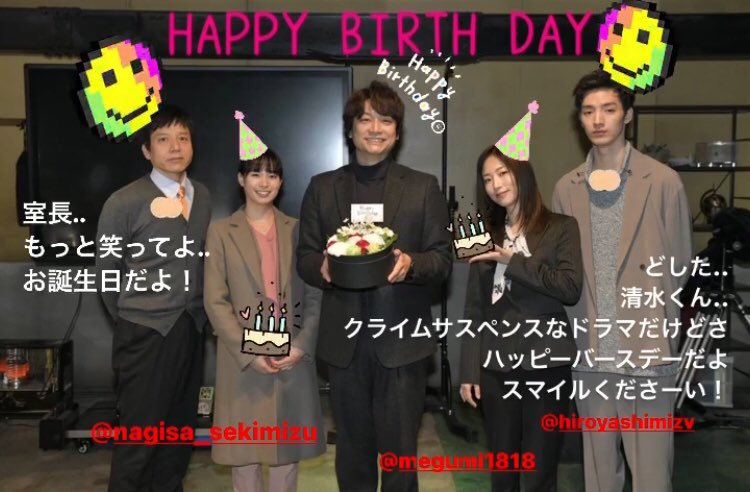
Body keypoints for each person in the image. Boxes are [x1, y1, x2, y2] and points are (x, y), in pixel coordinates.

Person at [296, 80, 452, 492]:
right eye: (365, 119)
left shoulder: (422, 187)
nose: (375, 128)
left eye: (386, 120)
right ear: (351, 129)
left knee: (400, 453)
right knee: (352, 450)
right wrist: (322, 267)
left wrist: (411, 263)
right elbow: (305, 256)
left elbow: (441, 259)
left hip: (402, 343)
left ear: (397, 132)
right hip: (344, 342)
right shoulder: (322, 187)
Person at [552, 70, 693, 492]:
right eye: (588, 111)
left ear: (627, 115)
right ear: (579, 119)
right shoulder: (567, 188)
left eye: (609, 109)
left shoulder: (662, 180)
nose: (598, 120)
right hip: (591, 347)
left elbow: (680, 263)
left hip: (646, 346)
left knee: (651, 472)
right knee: (598, 473)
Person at [96, 105, 211, 491]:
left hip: (191, 328)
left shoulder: (202, 196)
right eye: (163, 139)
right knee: (138, 440)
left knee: (178, 436)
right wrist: (135, 317)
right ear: (147, 150)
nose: (175, 147)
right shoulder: (124, 201)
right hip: (144, 332)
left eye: (183, 138)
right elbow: (107, 273)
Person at [460, 146, 583, 492]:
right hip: (496, 364)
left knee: (541, 468)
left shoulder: (561, 227)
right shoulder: (481, 233)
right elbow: (474, 307)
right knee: (503, 468)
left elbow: (570, 288)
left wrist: (512, 262)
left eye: (503, 173)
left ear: (522, 174)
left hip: (547, 362)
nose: (496, 184)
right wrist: (469, 370)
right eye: (487, 179)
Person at [204, 148, 326, 492]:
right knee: (243, 455)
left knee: (287, 454)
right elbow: (215, 300)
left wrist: (302, 345)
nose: (264, 182)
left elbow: (316, 295)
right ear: (241, 179)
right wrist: (248, 352)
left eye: (272, 174)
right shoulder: (221, 231)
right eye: (255, 173)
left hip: (291, 355)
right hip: (242, 359)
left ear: (281, 182)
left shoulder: (299, 230)